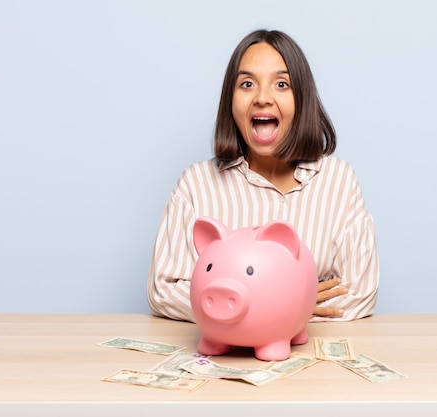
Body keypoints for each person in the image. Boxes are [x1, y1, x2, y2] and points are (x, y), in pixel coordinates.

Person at [147, 29, 378, 322]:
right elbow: (163, 291)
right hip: (224, 360)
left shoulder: (339, 181)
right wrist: (291, 303)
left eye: (282, 84)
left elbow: (358, 294)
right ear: (230, 101)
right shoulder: (196, 184)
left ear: (302, 100)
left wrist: (238, 309)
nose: (263, 98)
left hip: (313, 361)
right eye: (247, 84)